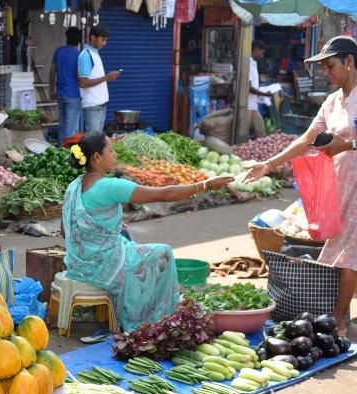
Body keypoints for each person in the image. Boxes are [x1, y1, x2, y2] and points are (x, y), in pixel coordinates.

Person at [246, 36, 357, 346]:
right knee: (340, 246)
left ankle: (340, 317)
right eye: (323, 68)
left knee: (350, 252)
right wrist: (268, 164)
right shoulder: (333, 101)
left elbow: (345, 142)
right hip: (338, 185)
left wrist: (347, 144)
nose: (326, 73)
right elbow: (307, 139)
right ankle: (338, 313)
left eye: (330, 66)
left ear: (349, 62)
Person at [63, 132, 232, 332]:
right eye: (111, 150)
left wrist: (108, 227)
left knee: (125, 238)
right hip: (100, 267)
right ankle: (153, 317)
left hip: (78, 262)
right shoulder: (109, 187)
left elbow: (66, 229)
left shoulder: (74, 187)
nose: (115, 155)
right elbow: (165, 194)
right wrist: (206, 185)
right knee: (163, 252)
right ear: (97, 158)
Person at [78, 24, 119, 134]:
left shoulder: (95, 54)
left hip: (100, 105)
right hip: (92, 105)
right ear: (93, 38)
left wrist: (107, 77)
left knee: (97, 140)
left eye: (106, 40)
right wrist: (106, 77)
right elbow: (83, 82)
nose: (104, 43)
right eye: (102, 40)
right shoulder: (86, 56)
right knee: (93, 140)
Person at [50, 27, 82, 146]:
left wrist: (51, 90)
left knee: (62, 125)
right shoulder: (78, 55)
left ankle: (59, 152)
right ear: (79, 40)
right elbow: (79, 76)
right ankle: (67, 155)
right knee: (71, 128)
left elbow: (52, 72)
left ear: (66, 37)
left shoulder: (59, 51)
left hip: (60, 93)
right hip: (73, 94)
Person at [248, 40, 273, 138]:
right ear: (256, 50)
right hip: (246, 105)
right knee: (244, 132)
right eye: (261, 53)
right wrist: (265, 94)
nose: (262, 56)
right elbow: (249, 88)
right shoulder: (248, 64)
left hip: (253, 104)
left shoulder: (253, 63)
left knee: (261, 131)